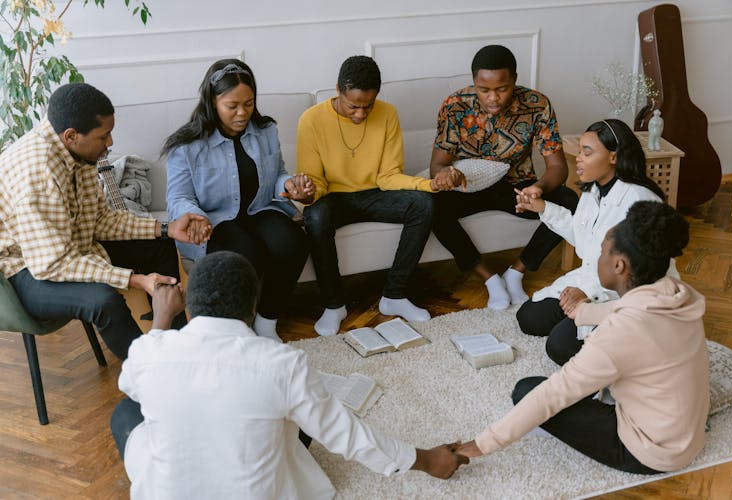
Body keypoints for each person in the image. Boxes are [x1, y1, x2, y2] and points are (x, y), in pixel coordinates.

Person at [110, 251, 468, 498]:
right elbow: (346, 434)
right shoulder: (281, 363)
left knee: (126, 412)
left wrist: (161, 319)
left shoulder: (151, 351)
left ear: (188, 303)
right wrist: (427, 460)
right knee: (299, 417)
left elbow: (131, 381)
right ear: (252, 308)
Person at [456, 201, 709, 475]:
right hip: (688, 436)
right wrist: (582, 311)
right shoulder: (676, 293)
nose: (596, 260)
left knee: (528, 391)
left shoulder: (619, 334)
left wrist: (476, 446)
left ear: (618, 265)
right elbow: (625, 309)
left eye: (601, 253)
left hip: (650, 452)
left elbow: (555, 393)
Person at [0, 83, 209, 360]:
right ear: (71, 136)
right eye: (104, 136)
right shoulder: (39, 177)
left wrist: (165, 228)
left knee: (160, 244)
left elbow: (99, 221)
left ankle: (177, 348)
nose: (110, 143)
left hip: (66, 249)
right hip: (23, 270)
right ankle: (147, 374)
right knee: (103, 301)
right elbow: (53, 263)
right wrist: (135, 280)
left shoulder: (78, 153)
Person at [164, 59, 312, 342]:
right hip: (216, 218)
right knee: (244, 253)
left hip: (260, 208)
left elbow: (278, 173)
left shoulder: (266, 131)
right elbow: (179, 197)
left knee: (293, 243)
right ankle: (239, 329)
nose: (242, 113)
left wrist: (289, 185)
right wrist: (194, 215)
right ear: (212, 101)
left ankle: (267, 322)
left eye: (249, 103)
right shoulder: (186, 145)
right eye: (232, 106)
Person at [298, 55, 444, 336]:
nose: (361, 114)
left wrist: (429, 185)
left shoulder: (388, 113)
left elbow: (388, 175)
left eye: (368, 105)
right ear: (338, 90)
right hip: (333, 197)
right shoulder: (311, 120)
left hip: (376, 192)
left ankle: (395, 296)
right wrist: (307, 195)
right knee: (315, 216)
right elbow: (317, 182)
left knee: (424, 204)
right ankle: (333, 305)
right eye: (353, 106)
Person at [430, 44, 579, 310]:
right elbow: (437, 165)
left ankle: (516, 273)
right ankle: (490, 280)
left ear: (514, 81)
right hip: (470, 187)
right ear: (474, 82)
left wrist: (537, 188)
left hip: (517, 190)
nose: (493, 98)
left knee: (568, 199)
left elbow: (558, 167)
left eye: (502, 89)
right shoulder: (455, 105)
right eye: (484, 90)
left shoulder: (537, 105)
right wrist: (446, 176)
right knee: (430, 206)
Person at [514, 119, 667, 365]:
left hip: (627, 294)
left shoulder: (640, 201)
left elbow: (637, 275)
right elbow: (582, 237)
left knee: (559, 346)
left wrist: (588, 295)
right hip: (591, 278)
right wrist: (541, 207)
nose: (579, 158)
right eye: (580, 151)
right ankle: (576, 317)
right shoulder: (592, 191)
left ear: (614, 157)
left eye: (587, 152)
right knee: (529, 317)